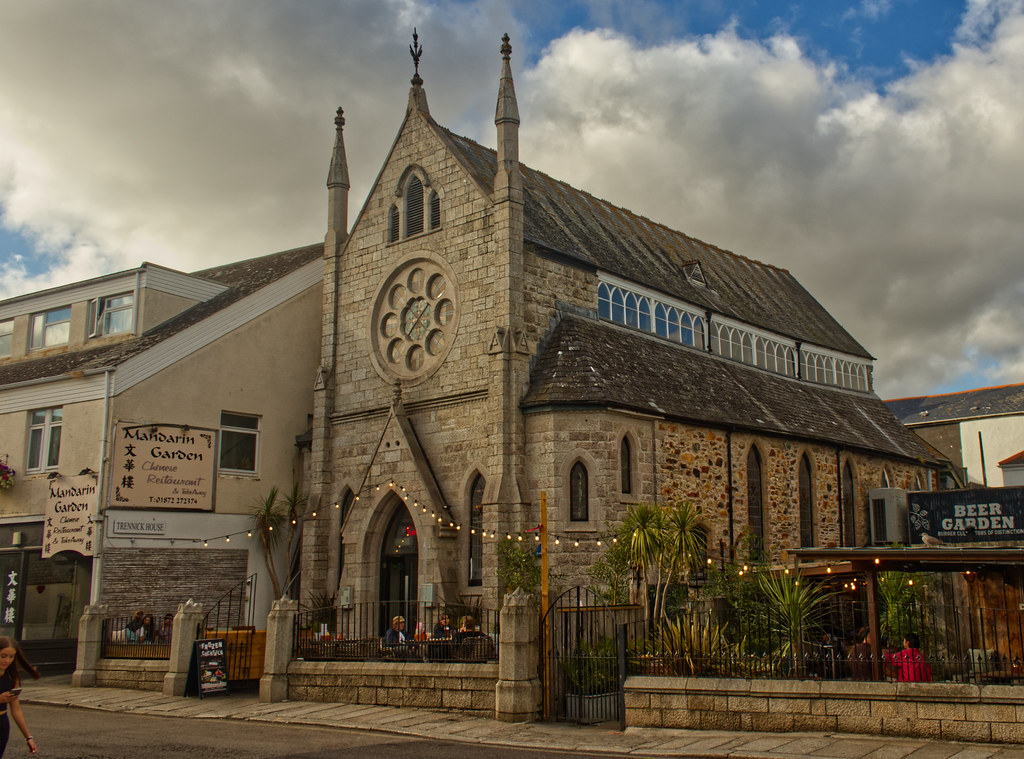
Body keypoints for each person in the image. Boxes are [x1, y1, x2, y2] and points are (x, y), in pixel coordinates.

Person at [0, 636, 39, 756]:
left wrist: (28, 737)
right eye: (3, 656)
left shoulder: (12, 677)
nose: (7, 660)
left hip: (2, 725)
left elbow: (16, 710)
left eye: (11, 657)